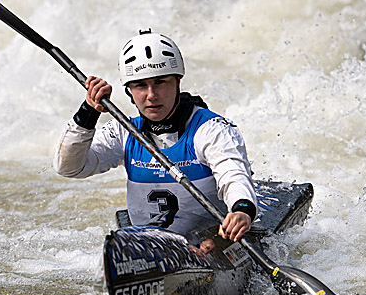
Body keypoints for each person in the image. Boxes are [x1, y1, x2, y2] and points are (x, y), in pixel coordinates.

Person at [54, 29, 257, 244]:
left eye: (160, 82)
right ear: (129, 91)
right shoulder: (124, 130)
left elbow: (234, 175)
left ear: (177, 81)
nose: (151, 95)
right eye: (141, 85)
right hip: (150, 246)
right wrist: (88, 110)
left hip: (211, 243)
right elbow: (69, 167)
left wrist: (241, 210)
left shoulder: (211, 129)